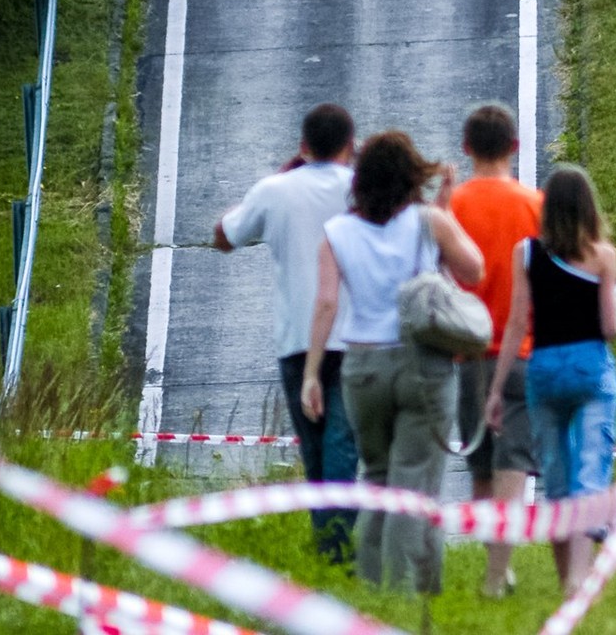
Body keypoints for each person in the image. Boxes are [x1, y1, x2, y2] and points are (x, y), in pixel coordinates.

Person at [302, 131, 483, 596]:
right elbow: (473, 269)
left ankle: (371, 585)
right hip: (421, 361)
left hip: (362, 366)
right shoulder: (428, 221)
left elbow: (326, 303)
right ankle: (407, 593)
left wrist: (312, 374)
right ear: (412, 175)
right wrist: (444, 215)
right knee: (414, 481)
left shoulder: (336, 233)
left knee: (377, 477)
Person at [214, 104, 360, 565]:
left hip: (296, 336)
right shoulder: (361, 186)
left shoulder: (274, 190)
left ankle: (328, 543)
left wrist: (280, 176)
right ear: (350, 145)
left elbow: (224, 235)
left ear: (302, 145)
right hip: (356, 335)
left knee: (314, 447)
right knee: (343, 441)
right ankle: (338, 543)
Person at [486, 165, 616, 599]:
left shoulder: (526, 253)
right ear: (588, 208)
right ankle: (579, 579)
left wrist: (496, 388)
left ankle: (567, 581)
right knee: (590, 473)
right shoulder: (602, 256)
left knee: (557, 480)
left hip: (543, 370)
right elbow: (611, 327)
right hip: (589, 368)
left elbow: (516, 323)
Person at [449, 104, 543, 600]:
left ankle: (493, 564)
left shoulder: (454, 205)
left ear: (466, 147)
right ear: (515, 146)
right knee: (515, 461)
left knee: (481, 465)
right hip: (523, 349)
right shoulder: (535, 205)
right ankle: (497, 572)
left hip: (469, 352)